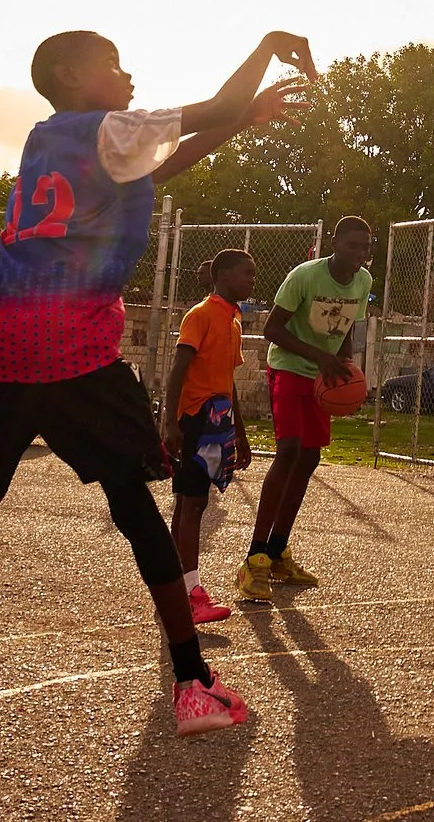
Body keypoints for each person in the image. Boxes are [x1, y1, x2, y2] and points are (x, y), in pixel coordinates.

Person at [0, 30, 310, 818]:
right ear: (69, 74)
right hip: (73, 345)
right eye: (112, 61)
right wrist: (264, 49)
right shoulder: (106, 127)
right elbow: (209, 108)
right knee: (135, 505)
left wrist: (239, 124)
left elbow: (158, 167)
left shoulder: (47, 140)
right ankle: (193, 683)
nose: (127, 72)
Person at [236, 216, 373, 604]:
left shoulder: (362, 282)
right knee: (290, 450)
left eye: (365, 247)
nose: (359, 254)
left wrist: (345, 370)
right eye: (352, 245)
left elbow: (344, 330)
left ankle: (278, 551)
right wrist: (319, 357)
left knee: (310, 457)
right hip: (290, 368)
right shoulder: (305, 276)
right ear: (334, 241)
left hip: (322, 377)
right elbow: (272, 330)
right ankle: (254, 557)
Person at [161, 249, 256, 624]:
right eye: (246, 273)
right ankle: (190, 593)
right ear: (224, 275)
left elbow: (228, 383)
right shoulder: (200, 315)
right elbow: (177, 371)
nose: (252, 279)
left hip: (218, 421)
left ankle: (174, 587)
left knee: (188, 504)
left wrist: (241, 434)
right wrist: (170, 423)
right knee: (192, 505)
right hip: (194, 421)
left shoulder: (233, 321)